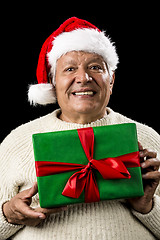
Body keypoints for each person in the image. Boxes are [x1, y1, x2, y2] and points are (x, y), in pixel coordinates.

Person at [0, 17, 160, 240]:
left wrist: (148, 207)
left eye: (95, 67)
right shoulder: (18, 140)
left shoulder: (148, 138)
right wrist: (9, 214)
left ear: (111, 80)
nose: (83, 78)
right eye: (69, 69)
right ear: (53, 82)